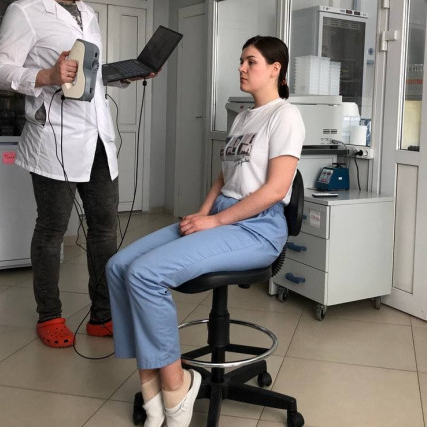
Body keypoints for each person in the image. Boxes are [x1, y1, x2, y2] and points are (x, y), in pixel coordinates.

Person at [106, 35, 305, 427]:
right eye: (241, 60)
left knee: (145, 274)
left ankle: (177, 387)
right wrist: (201, 213)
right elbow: (225, 176)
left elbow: (275, 190)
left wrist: (214, 222)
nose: (241, 68)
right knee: (118, 267)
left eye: (250, 61)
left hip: (257, 228)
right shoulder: (244, 117)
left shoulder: (285, 116)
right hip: (222, 213)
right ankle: (151, 388)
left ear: (275, 69)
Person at [0, 0, 140, 348]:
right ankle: (49, 315)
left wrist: (120, 76)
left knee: (104, 230)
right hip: (53, 138)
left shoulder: (88, 14)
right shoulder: (25, 12)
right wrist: (47, 76)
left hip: (98, 139)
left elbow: (88, 72)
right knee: (52, 230)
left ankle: (102, 315)